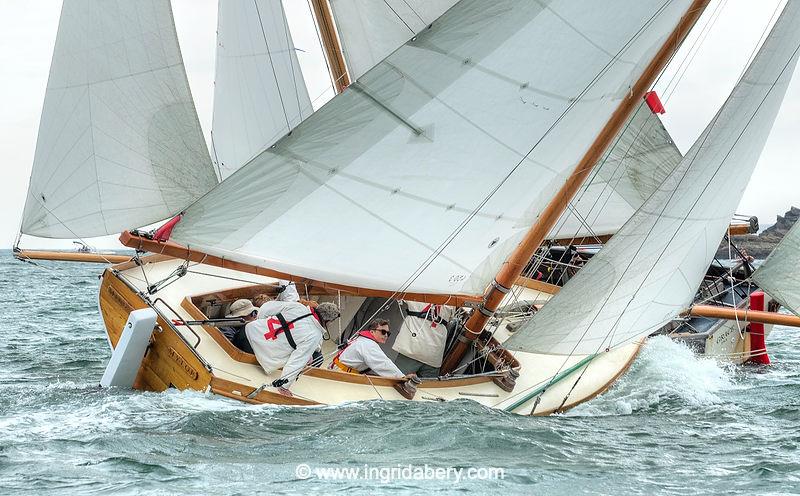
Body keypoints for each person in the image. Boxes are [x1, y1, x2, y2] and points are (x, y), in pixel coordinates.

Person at [245, 300, 340, 396]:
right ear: (328, 321)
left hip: (246, 333)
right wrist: (283, 386)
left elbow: (266, 307)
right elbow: (297, 361)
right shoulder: (315, 335)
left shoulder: (298, 307)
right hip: (258, 352)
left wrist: (259, 323)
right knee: (309, 358)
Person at [331, 319, 410, 378]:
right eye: (383, 332)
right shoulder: (369, 345)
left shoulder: (362, 338)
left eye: (388, 333)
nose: (386, 335)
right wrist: (402, 377)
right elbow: (383, 363)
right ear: (372, 332)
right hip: (340, 373)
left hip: (336, 368)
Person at [392, 301, 453, 377]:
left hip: (411, 350)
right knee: (427, 387)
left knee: (396, 380)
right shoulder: (450, 303)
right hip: (434, 356)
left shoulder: (417, 295)